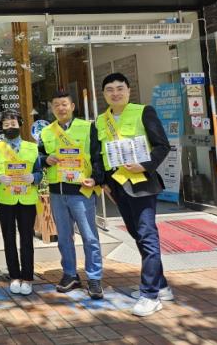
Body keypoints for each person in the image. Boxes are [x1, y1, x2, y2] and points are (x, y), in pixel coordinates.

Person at [97, 72, 172, 317]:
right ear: (104, 94)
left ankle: (150, 295)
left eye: (120, 88)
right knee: (137, 235)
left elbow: (162, 145)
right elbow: (100, 155)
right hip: (118, 186)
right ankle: (162, 286)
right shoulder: (100, 121)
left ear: (129, 91)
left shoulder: (143, 112)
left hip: (142, 184)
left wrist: (144, 165)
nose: (115, 93)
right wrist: (104, 183)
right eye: (110, 89)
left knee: (147, 236)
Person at [39, 91, 105, 299]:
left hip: (81, 191)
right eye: (56, 105)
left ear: (73, 106)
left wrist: (96, 178)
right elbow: (39, 156)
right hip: (57, 192)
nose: (61, 108)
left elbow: (98, 155)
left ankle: (94, 277)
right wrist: (45, 159)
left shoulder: (87, 127)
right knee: (64, 237)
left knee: (89, 236)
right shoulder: (46, 132)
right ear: (52, 108)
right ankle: (70, 274)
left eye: (64, 104)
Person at [0, 111, 42, 295]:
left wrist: (33, 177)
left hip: (27, 199)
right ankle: (14, 277)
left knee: (27, 238)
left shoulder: (32, 148)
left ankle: (27, 278)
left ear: (20, 124)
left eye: (13, 123)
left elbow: (39, 172)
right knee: (8, 238)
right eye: (6, 124)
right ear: (1, 127)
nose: (10, 127)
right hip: (5, 199)